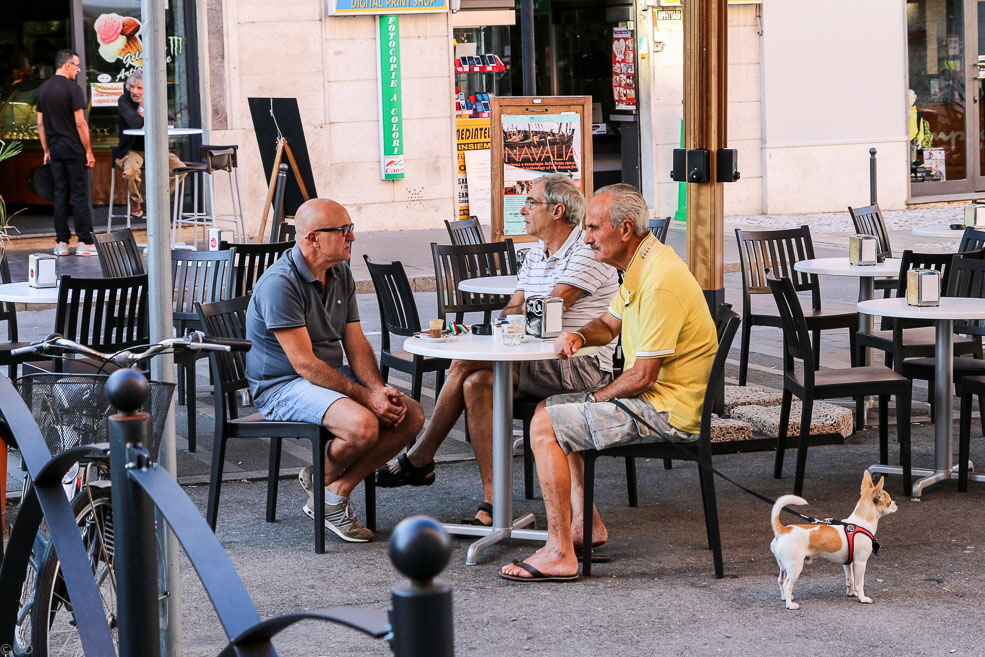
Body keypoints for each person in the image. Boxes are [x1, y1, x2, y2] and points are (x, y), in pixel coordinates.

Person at [499, 183, 717, 582]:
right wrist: (580, 336)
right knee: (552, 408)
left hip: (667, 412)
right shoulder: (642, 263)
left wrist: (593, 400)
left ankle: (559, 551)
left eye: (594, 228)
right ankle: (587, 526)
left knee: (548, 423)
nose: (586, 238)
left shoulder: (659, 280)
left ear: (626, 230)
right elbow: (608, 323)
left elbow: (642, 376)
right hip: (655, 396)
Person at [376, 173, 620, 527]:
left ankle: (421, 456)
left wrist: (522, 315)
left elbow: (546, 311)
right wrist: (520, 315)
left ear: (557, 211)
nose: (522, 209)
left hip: (580, 366)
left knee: (462, 360)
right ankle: (494, 502)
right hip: (533, 358)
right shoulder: (536, 253)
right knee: (477, 384)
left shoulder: (585, 252)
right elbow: (512, 310)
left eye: (531, 202)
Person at [246, 198, 424, 543]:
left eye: (350, 228)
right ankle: (327, 488)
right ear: (313, 238)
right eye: (343, 230)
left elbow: (356, 343)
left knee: (410, 414)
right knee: (362, 425)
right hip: (281, 385)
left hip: (323, 376)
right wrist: (366, 399)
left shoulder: (339, 273)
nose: (351, 237)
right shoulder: (280, 283)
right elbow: (304, 364)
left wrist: (378, 390)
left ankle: (331, 490)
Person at [35, 49, 95, 256]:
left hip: (56, 150)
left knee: (60, 195)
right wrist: (88, 150)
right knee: (78, 196)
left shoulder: (43, 89)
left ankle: (61, 243)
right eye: (77, 65)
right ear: (67, 65)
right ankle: (85, 243)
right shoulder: (73, 89)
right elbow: (80, 123)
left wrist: (46, 150)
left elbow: (40, 124)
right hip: (74, 149)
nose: (78, 70)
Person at [113, 69, 185, 219]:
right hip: (131, 149)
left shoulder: (156, 99)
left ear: (148, 89)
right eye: (132, 87)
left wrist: (150, 115)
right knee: (130, 172)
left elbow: (171, 121)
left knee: (180, 169)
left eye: (139, 88)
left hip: (155, 149)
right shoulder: (124, 100)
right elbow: (134, 122)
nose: (135, 91)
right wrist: (145, 111)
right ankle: (136, 203)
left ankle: (153, 201)